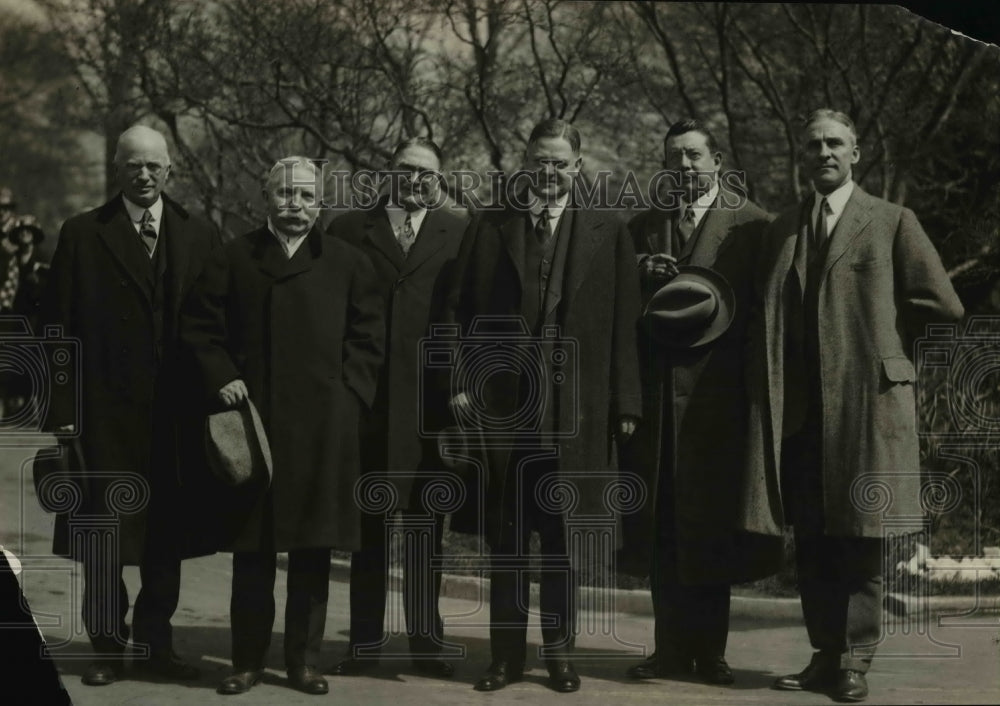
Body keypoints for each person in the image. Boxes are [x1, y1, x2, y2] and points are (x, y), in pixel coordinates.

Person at [744, 109, 964, 702]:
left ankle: (857, 661)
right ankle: (824, 655)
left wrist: (890, 354)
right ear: (802, 154)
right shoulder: (785, 227)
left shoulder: (892, 221)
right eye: (813, 143)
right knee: (812, 541)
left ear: (856, 154)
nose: (823, 152)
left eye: (834, 143)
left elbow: (944, 306)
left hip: (866, 408)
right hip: (801, 413)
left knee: (862, 539)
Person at [447, 118, 642, 694]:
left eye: (560, 162)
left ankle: (559, 655)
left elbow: (625, 327)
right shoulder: (489, 225)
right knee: (506, 539)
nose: (549, 172)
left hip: (575, 411)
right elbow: (459, 312)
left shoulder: (610, 229)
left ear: (577, 167)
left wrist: (625, 401)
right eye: (540, 161)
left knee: (562, 540)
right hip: (504, 407)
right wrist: (460, 380)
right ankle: (505, 658)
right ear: (525, 163)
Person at [181, 156, 384, 696]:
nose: (295, 206)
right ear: (264, 198)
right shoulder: (233, 258)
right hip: (255, 431)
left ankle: (302, 662)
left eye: (306, 196)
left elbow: (368, 341)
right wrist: (221, 376)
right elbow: (200, 329)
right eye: (285, 195)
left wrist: (348, 401)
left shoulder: (348, 262)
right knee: (254, 554)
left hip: (323, 431)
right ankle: (245, 661)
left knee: (313, 552)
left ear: (322, 202)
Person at [40, 125, 219, 686]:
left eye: (154, 165)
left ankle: (156, 647)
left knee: (167, 543)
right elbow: (57, 332)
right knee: (103, 543)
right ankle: (107, 649)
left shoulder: (200, 235)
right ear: (116, 170)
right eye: (132, 165)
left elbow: (216, 327)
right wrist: (63, 416)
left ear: (171, 171)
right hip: (102, 419)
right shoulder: (82, 233)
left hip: (176, 420)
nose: (143, 175)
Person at [622, 119, 783, 686]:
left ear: (717, 161)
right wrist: (641, 276)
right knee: (666, 529)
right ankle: (668, 650)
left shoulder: (754, 224)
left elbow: (771, 314)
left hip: (723, 406)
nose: (685, 167)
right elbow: (625, 312)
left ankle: (711, 653)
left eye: (694, 156)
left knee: (712, 529)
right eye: (675, 158)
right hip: (662, 405)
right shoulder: (645, 225)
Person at [326, 138, 466, 679]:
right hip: (368, 404)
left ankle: (427, 645)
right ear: (388, 173)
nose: (415, 181)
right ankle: (363, 644)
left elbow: (468, 313)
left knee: (427, 533)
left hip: (431, 407)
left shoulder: (459, 232)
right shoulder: (347, 230)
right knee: (368, 531)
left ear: (440, 179)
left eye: (427, 174)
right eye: (406, 170)